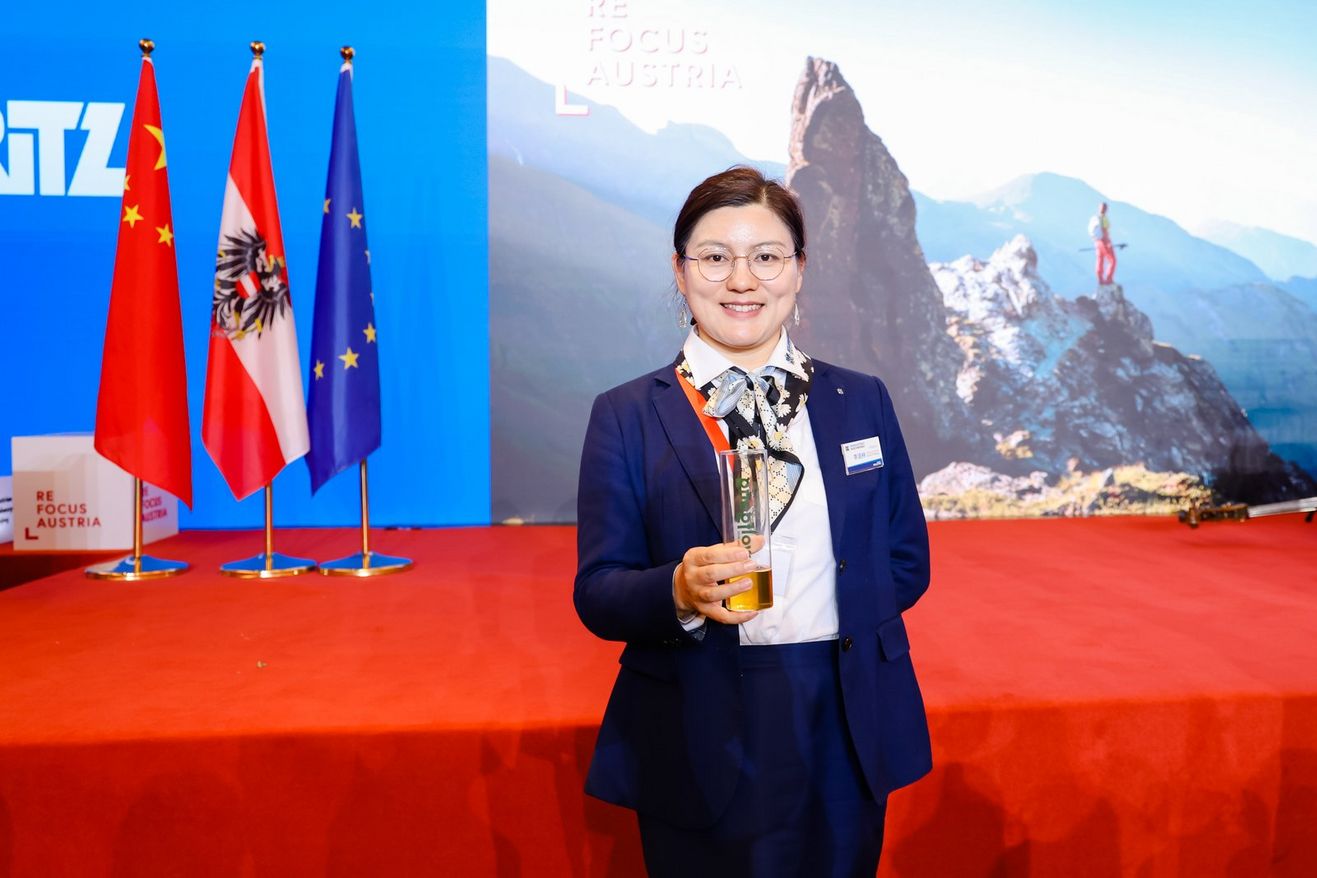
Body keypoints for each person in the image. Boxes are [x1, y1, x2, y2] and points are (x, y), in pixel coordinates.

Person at [574, 166, 932, 876]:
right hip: (697, 718)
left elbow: (904, 559)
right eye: (715, 257)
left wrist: (840, 623)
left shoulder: (860, 400)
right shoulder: (627, 414)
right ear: (680, 271)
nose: (742, 280)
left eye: (766, 256)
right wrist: (678, 591)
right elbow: (599, 590)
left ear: (799, 269)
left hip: (844, 715)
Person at [1088, 201, 1116, 285]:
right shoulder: (1104, 219)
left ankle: (1100, 279)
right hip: (1104, 241)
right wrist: (1108, 242)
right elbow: (1105, 231)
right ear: (1106, 209)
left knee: (1100, 259)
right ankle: (1109, 279)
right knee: (1112, 260)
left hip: (1097, 242)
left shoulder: (1095, 218)